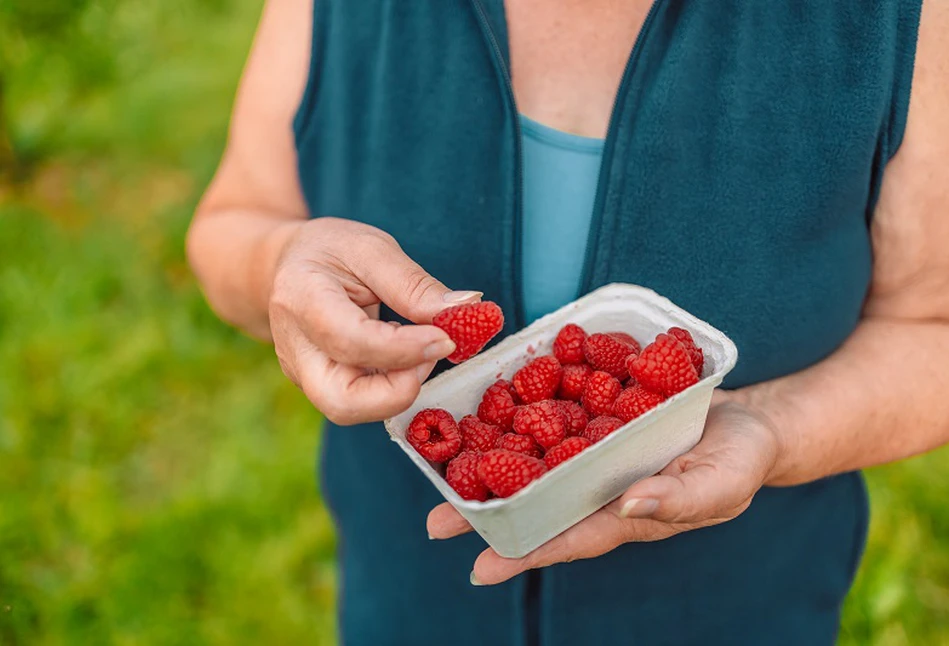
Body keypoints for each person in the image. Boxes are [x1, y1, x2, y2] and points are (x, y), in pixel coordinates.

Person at [186, 0, 949, 643]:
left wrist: (770, 430)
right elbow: (234, 222)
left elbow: (933, 328)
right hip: (409, 596)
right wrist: (281, 262)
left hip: (735, 607)